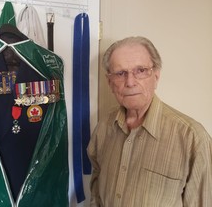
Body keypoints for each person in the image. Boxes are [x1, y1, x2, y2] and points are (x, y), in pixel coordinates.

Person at [87, 36, 212, 207]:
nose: (130, 82)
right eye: (121, 73)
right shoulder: (103, 128)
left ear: (156, 76)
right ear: (110, 82)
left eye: (140, 70)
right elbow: (96, 188)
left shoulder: (192, 139)